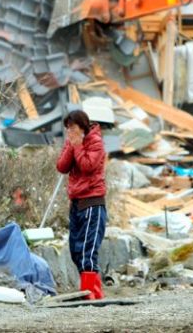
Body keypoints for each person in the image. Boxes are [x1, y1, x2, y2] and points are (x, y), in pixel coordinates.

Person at [56, 110, 107, 300]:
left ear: (82, 126)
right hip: (76, 202)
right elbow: (61, 166)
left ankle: (90, 294)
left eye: (73, 127)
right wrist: (71, 146)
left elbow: (87, 166)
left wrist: (78, 146)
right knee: (75, 250)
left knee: (88, 250)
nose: (70, 131)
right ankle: (93, 291)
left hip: (92, 201)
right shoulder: (72, 142)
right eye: (68, 128)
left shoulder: (96, 142)